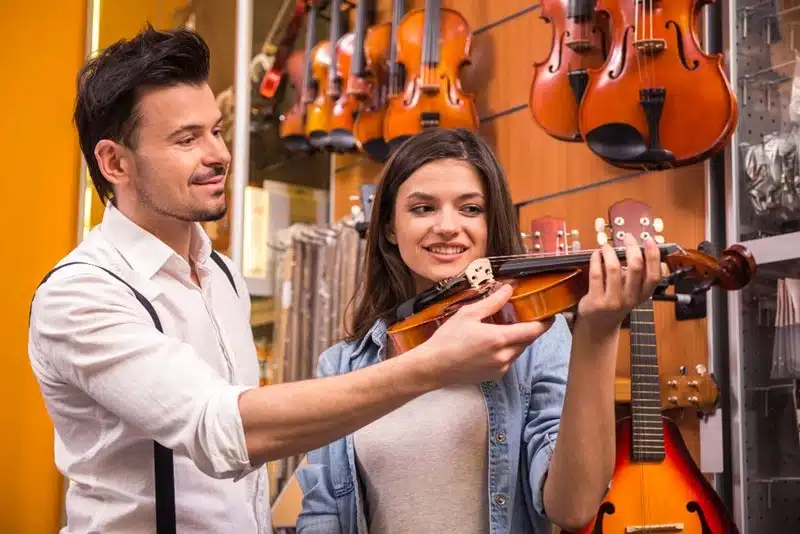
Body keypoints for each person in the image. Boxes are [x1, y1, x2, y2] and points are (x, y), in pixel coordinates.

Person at [27, 27, 551, 533]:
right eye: (187, 139)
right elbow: (222, 431)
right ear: (114, 161)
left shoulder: (220, 273)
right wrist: (432, 364)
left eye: (216, 130)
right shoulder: (81, 294)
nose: (219, 155)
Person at [295, 127, 663, 533]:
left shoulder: (535, 338)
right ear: (388, 228)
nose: (448, 226)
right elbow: (322, 517)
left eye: (470, 209)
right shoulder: (342, 365)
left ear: (491, 223)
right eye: (422, 209)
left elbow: (573, 508)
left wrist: (599, 332)